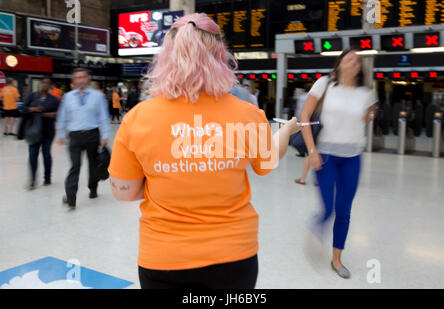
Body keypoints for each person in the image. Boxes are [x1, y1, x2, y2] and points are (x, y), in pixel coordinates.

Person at [108, 13, 302, 289]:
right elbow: (266, 162)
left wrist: (169, 179)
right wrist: (285, 132)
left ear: (167, 57)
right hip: (234, 256)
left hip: (164, 258)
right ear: (220, 57)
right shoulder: (247, 115)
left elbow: (122, 191)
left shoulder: (138, 118)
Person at [300, 49, 377, 279]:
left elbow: (367, 119)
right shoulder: (324, 84)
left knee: (344, 211)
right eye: (350, 57)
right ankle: (314, 228)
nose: (355, 62)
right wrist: (311, 151)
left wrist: (370, 113)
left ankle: (336, 260)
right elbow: (305, 117)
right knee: (328, 208)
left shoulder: (366, 92)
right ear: (341, 61)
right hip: (326, 155)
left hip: (353, 157)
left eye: (358, 61)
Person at [56, 68, 110, 208]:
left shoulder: (97, 96)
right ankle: (71, 197)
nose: (80, 80)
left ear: (88, 79)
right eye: (77, 77)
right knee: (75, 166)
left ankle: (93, 188)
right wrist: (61, 134)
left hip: (92, 134)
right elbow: (63, 116)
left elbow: (103, 116)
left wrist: (104, 135)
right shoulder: (68, 97)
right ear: (73, 81)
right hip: (74, 136)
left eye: (83, 77)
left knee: (93, 164)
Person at [22, 78, 60, 189]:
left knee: (46, 155)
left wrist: (42, 113)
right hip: (33, 131)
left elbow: (58, 114)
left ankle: (47, 178)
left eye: (47, 83)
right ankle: (32, 180)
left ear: (50, 86)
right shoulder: (32, 96)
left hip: (48, 132)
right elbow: (23, 109)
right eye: (43, 83)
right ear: (39, 84)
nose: (44, 85)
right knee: (33, 156)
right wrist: (33, 109)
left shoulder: (54, 99)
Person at [294, 88, 312, 185]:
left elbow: (301, 111)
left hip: (312, 128)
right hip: (319, 130)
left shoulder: (305, 98)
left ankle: (303, 179)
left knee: (311, 154)